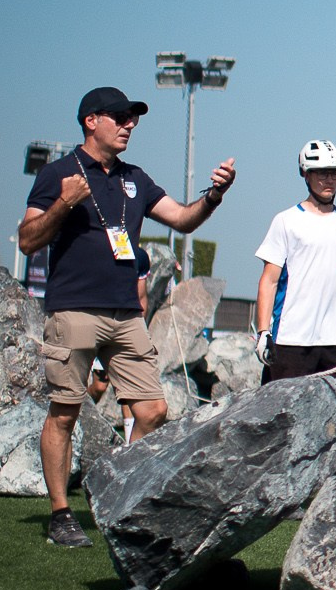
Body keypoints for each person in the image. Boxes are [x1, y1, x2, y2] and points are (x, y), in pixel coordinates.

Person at [18, 85, 235, 548]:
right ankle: (60, 513)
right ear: (91, 121)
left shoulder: (135, 178)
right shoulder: (58, 173)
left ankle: (112, 491)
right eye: (119, 117)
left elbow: (182, 219)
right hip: (74, 308)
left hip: (125, 314)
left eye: (132, 118)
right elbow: (27, 240)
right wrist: (64, 203)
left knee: (153, 410)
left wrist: (214, 195)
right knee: (65, 413)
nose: (129, 124)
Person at [253, 140, 336, 383]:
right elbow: (269, 280)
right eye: (322, 173)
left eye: (335, 173)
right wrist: (264, 331)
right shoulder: (286, 221)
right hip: (291, 339)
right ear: (306, 175)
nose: (329, 180)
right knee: (283, 405)